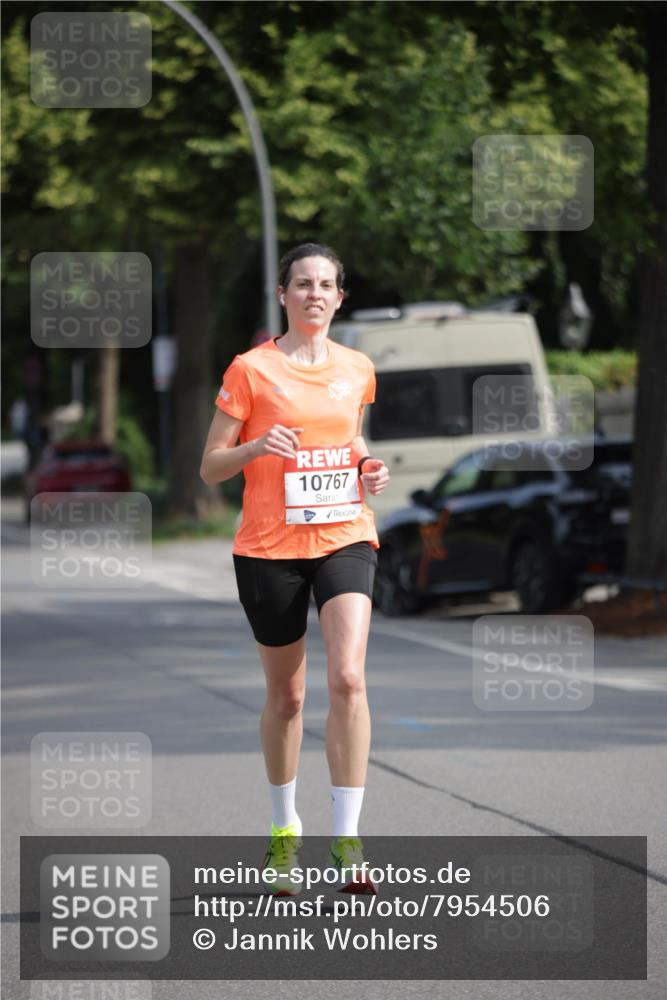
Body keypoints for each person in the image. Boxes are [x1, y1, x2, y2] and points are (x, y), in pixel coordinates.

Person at [201, 243, 389, 895]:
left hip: (344, 536)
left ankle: (349, 840)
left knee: (347, 679)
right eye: (302, 284)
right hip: (267, 548)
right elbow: (211, 466)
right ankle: (284, 831)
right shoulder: (251, 370)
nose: (314, 293)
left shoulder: (357, 368)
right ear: (283, 296)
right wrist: (255, 444)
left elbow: (350, 439)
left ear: (339, 298)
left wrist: (369, 468)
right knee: (287, 697)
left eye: (326, 284)